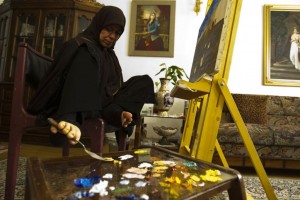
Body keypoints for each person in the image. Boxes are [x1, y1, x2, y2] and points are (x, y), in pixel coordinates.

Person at [28, 6, 155, 146]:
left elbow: (113, 88)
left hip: (104, 105)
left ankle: (119, 114)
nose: (113, 36)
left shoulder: (110, 56)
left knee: (144, 82)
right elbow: (57, 80)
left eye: (117, 33)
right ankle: (69, 121)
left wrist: (118, 108)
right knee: (88, 51)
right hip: (80, 104)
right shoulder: (78, 45)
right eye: (109, 29)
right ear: (98, 24)